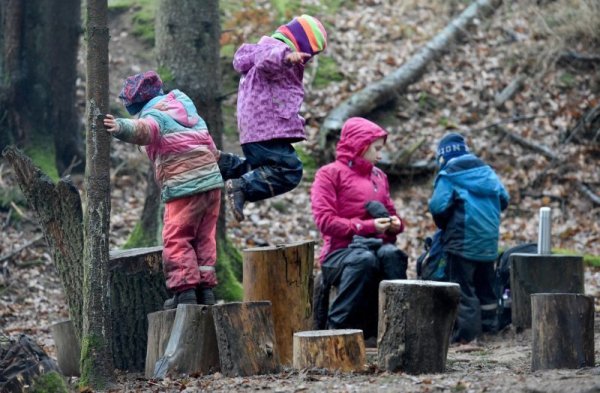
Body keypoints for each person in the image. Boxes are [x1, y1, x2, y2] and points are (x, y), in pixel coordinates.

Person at [103, 70, 223, 309]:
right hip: (211, 183)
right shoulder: (188, 112)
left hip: (184, 185)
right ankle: (206, 290)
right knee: (204, 237)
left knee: (177, 237)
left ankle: (186, 291)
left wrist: (119, 127)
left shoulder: (155, 115)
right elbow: (211, 145)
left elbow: (144, 130)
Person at [219, 14, 328, 222]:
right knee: (289, 171)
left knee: (264, 169)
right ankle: (241, 187)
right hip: (266, 128)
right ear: (297, 43)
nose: (308, 59)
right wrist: (286, 56)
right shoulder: (273, 51)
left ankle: (226, 165)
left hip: (258, 128)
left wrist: (295, 122)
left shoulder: (259, 52)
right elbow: (269, 60)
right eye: (309, 53)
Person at [310, 117, 407, 340]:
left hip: (375, 246)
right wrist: (367, 226)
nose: (380, 155)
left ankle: (398, 331)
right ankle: (335, 333)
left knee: (392, 255)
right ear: (361, 145)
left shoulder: (379, 177)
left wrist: (394, 224)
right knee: (363, 260)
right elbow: (325, 221)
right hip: (338, 253)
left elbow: (394, 215)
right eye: (377, 149)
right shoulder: (329, 174)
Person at [428, 132, 509, 344]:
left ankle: (467, 336)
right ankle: (491, 330)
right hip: (488, 242)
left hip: (461, 242)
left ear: (442, 156)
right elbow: (504, 199)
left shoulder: (448, 175)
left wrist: (444, 223)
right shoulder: (487, 172)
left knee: (463, 289)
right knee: (486, 286)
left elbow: (437, 206)